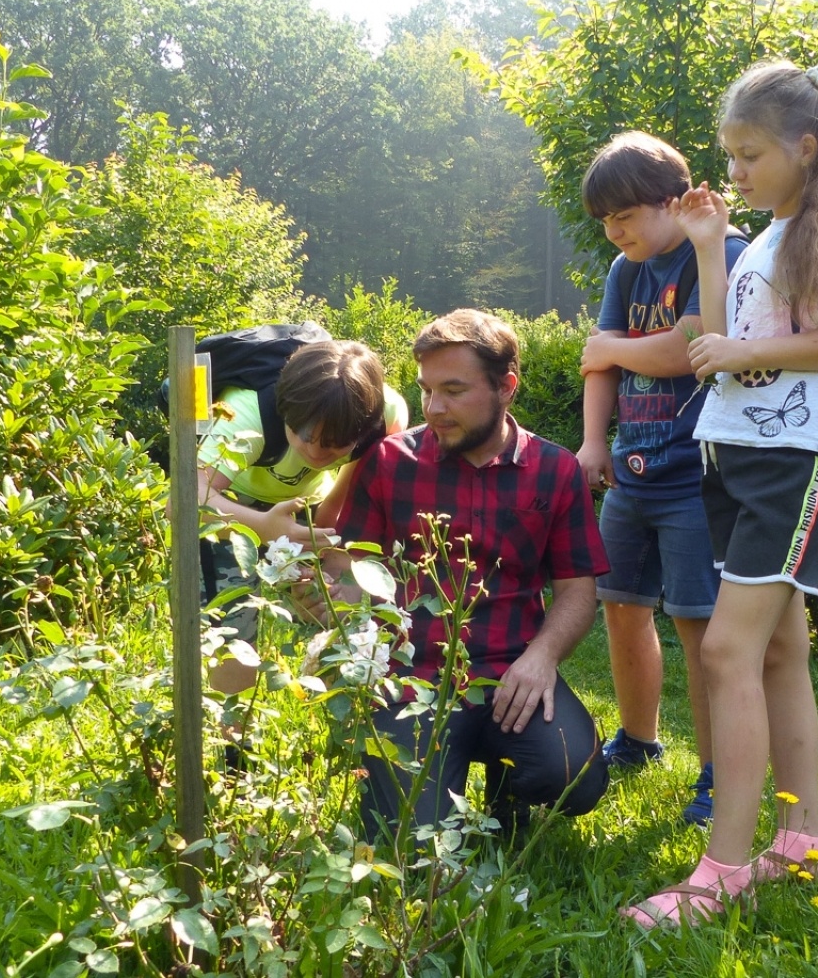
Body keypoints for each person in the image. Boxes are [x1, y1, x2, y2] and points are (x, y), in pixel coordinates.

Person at [624, 61, 818, 925]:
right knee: (779, 654)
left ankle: (724, 870)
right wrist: (711, 246)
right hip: (736, 456)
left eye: (749, 155)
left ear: (806, 147)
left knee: (724, 652)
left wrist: (742, 357)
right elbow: (721, 341)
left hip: (796, 461)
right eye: (729, 155)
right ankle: (800, 843)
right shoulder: (768, 241)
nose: (734, 172)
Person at [332, 309, 611, 841]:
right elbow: (349, 565)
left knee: (575, 778)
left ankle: (510, 790)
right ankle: (440, 786)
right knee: (413, 841)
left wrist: (542, 657)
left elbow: (578, 591)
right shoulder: (389, 462)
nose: (434, 408)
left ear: (506, 386)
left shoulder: (556, 471)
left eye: (454, 391)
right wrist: (344, 628)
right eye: (426, 390)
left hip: (511, 674)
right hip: (411, 680)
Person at [577, 131, 749, 824]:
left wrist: (613, 345)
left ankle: (713, 775)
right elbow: (599, 365)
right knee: (620, 606)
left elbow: (690, 348)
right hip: (631, 471)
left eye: (626, 216)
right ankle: (640, 740)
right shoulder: (626, 271)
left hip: (695, 478)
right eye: (607, 223)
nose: (616, 232)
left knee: (699, 628)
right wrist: (595, 443)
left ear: (673, 201)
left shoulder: (720, 254)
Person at [196, 339, 407, 695]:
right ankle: (234, 738)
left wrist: (330, 561)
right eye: (303, 436)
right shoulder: (247, 415)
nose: (314, 452)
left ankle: (339, 721)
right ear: (285, 414)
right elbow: (185, 498)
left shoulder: (386, 418)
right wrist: (263, 527)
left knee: (339, 610)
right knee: (235, 624)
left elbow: (346, 491)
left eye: (334, 446)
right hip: (230, 500)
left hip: (308, 503)